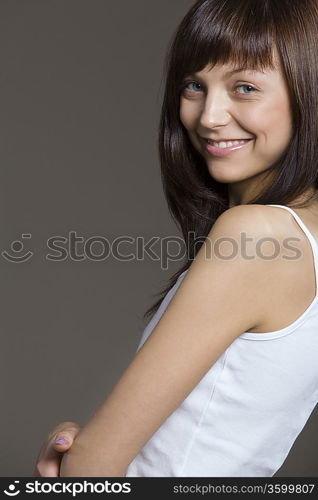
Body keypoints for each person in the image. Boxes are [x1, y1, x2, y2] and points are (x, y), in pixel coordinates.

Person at [33, 0, 318, 477]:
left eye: (245, 87)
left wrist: (72, 461)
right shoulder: (299, 237)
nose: (209, 116)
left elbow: (90, 473)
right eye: (194, 86)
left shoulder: (257, 236)